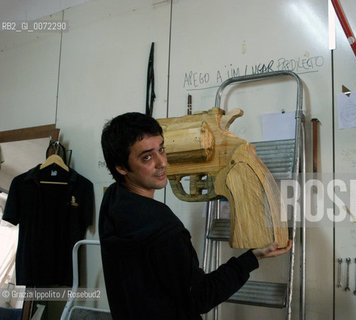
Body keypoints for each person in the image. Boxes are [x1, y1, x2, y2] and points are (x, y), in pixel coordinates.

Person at [99, 112, 291, 319]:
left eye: (161, 149)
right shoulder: (164, 228)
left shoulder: (112, 200)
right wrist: (252, 258)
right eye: (146, 157)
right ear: (121, 167)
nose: (162, 162)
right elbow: (201, 297)